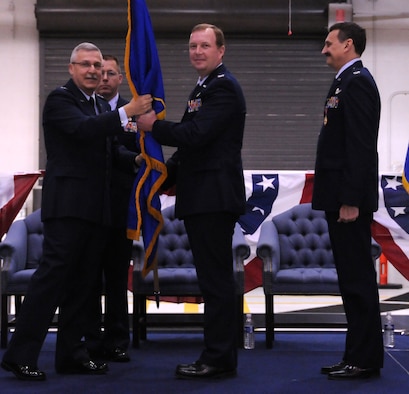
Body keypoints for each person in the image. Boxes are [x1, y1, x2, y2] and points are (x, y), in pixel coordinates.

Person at [1, 42, 152, 381]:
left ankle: (72, 354)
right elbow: (84, 132)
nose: (93, 71)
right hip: (68, 207)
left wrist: (138, 159)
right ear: (71, 68)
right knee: (50, 281)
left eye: (97, 65)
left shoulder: (98, 103)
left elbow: (111, 149)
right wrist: (127, 111)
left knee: (83, 287)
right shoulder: (60, 100)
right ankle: (19, 354)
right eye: (85, 65)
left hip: (97, 209)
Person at [137, 23, 246, 380]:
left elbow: (196, 135)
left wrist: (154, 126)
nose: (197, 52)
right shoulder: (205, 87)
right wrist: (164, 177)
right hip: (203, 196)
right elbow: (189, 148)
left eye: (204, 46)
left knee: (215, 282)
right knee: (213, 280)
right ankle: (221, 356)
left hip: (213, 199)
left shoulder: (223, 88)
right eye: (192, 46)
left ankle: (217, 358)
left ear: (221, 50)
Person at [312, 22, 384, 380]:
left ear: (348, 44)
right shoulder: (345, 80)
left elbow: (359, 145)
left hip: (348, 200)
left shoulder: (358, 82)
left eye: (329, 43)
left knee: (357, 280)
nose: (324, 49)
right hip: (339, 196)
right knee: (350, 280)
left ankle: (366, 358)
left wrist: (351, 199)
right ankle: (355, 353)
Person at [85, 54, 140, 362]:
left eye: (110, 73)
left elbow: (138, 152)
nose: (103, 77)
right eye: (100, 72)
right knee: (90, 278)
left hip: (120, 208)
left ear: (121, 78)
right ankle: (92, 341)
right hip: (91, 207)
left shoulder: (133, 114)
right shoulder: (87, 110)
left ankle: (118, 340)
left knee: (117, 278)